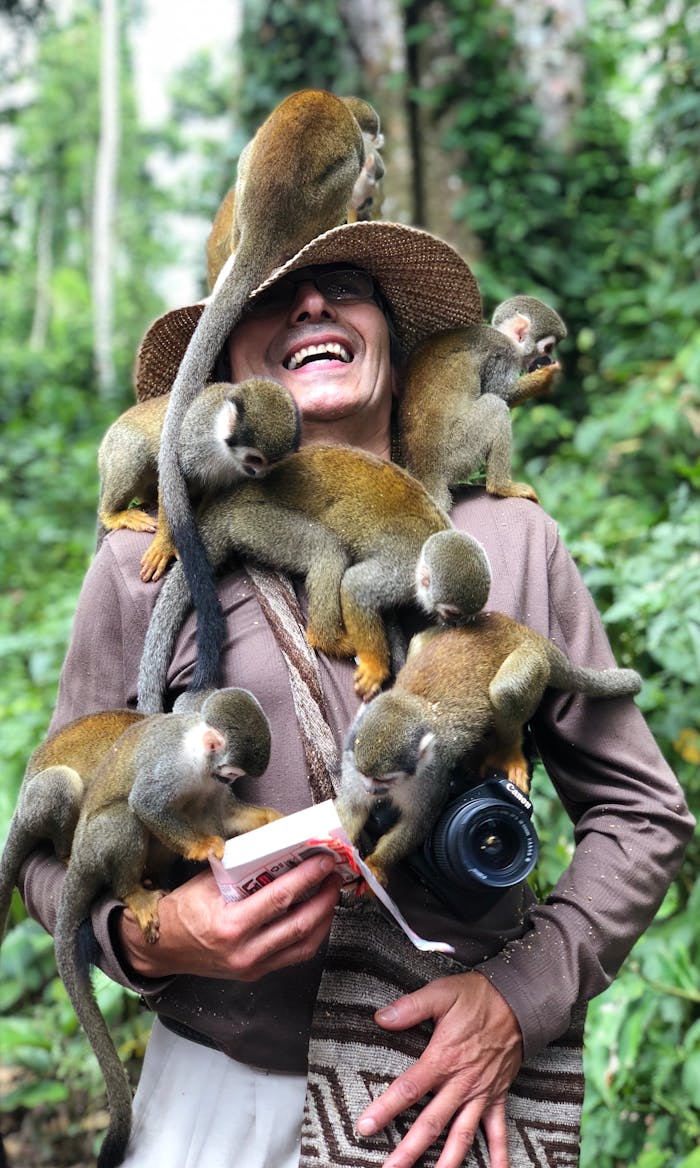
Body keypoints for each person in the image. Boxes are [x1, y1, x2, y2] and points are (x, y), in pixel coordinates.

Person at [18, 216, 694, 1168]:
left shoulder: (507, 542)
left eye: (345, 284)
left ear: (390, 334)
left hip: (451, 1104)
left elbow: (643, 812)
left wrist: (523, 995)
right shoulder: (147, 561)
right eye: (271, 297)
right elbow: (50, 847)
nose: (311, 304)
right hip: (220, 1093)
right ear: (230, 366)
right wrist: (157, 938)